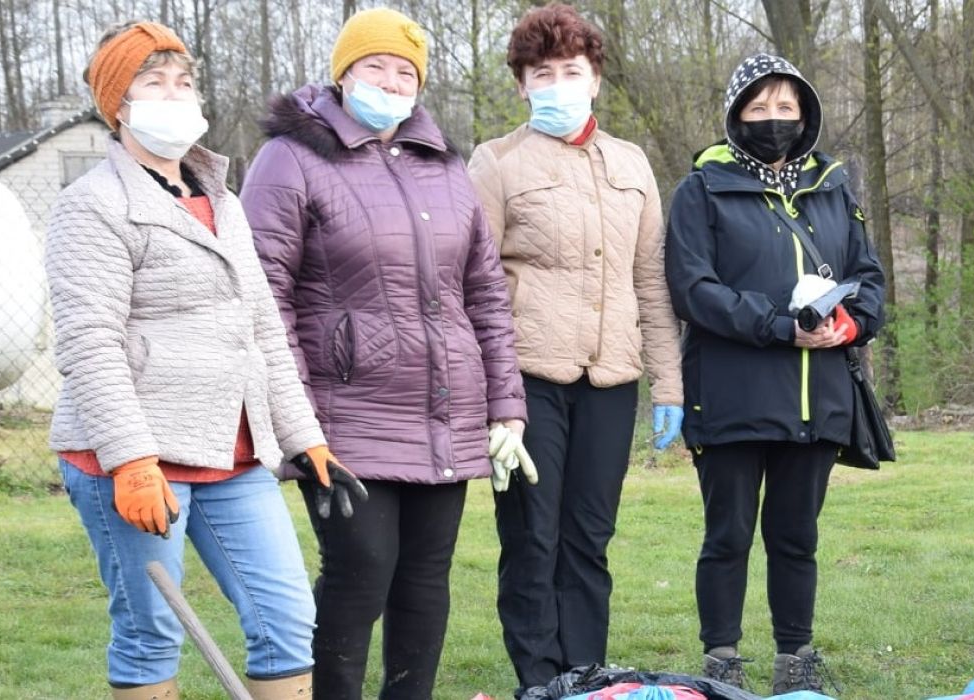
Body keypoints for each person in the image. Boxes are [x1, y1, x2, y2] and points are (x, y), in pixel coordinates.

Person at [48, 21, 363, 700]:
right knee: (150, 628)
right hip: (136, 461)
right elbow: (88, 343)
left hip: (235, 452)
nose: (175, 95)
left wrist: (307, 439)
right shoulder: (92, 205)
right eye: (152, 82)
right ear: (117, 104)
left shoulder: (222, 199)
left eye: (183, 82)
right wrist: (131, 460)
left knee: (286, 617)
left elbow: (262, 331)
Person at [241, 8, 528, 699]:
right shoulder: (291, 158)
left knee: (425, 581)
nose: (391, 81)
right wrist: (297, 420)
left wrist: (506, 408)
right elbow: (261, 294)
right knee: (360, 571)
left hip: (444, 416)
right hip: (345, 417)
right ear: (343, 75)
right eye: (376, 67)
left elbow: (486, 295)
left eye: (406, 72)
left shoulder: (445, 168)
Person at [465, 3, 682, 692]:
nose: (558, 83)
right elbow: (476, 283)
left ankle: (584, 674)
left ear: (595, 79)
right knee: (533, 538)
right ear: (523, 84)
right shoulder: (494, 163)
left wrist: (669, 385)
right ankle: (538, 677)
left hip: (612, 378)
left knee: (589, 537)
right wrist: (493, 398)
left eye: (572, 70)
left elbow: (650, 277)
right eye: (542, 73)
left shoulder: (631, 162)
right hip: (527, 381)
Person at [664, 53, 887, 694]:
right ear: (736, 116)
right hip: (732, 393)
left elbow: (869, 278)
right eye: (758, 107)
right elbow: (693, 289)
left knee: (797, 536)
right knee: (728, 533)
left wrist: (852, 323)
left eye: (785, 107)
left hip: (817, 398)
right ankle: (722, 658)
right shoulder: (700, 190)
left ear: (805, 114)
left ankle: (796, 658)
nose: (773, 119)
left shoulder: (834, 186)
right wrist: (776, 325)